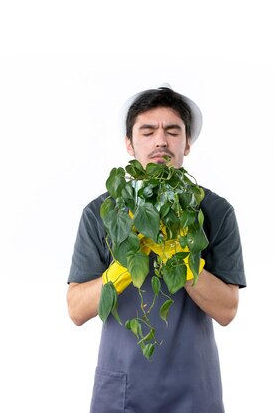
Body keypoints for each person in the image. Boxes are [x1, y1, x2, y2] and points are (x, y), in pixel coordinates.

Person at [67, 84, 247, 413]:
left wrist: (180, 258)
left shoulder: (215, 211)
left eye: (173, 131)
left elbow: (227, 310)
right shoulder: (103, 212)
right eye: (148, 131)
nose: (161, 140)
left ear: (187, 143)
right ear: (129, 143)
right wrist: (123, 268)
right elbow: (77, 310)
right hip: (121, 391)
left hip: (193, 390)